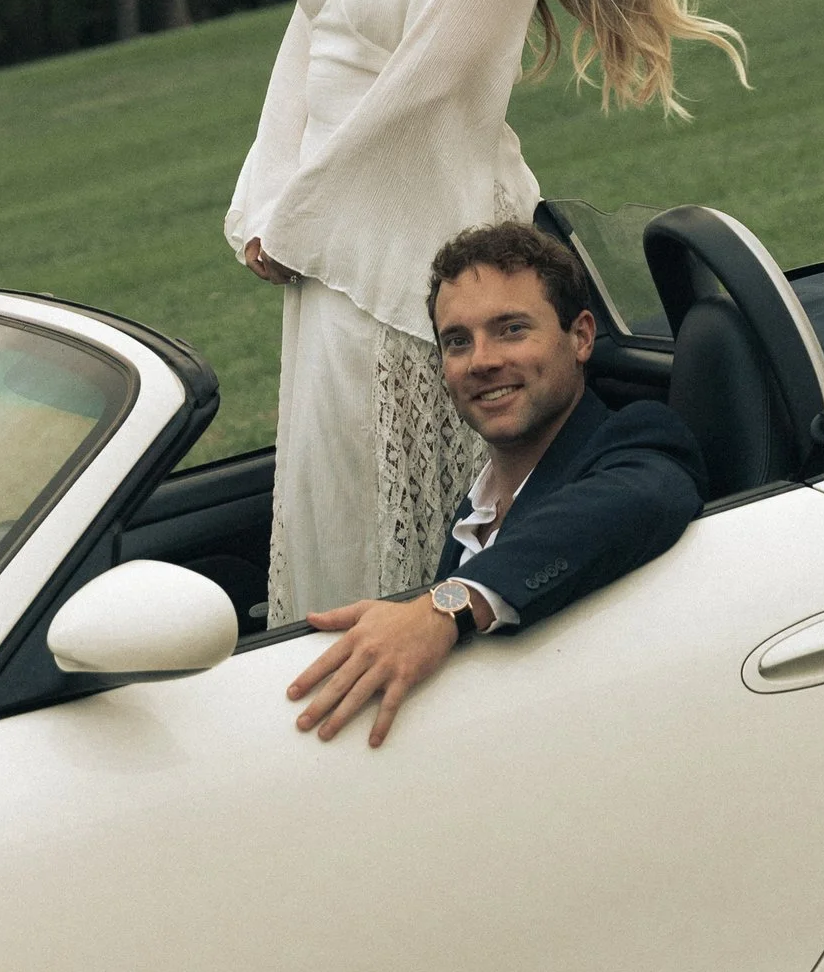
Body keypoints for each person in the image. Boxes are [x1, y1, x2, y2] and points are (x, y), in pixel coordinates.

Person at [224, 0, 744, 620]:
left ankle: (411, 655)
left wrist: (299, 218)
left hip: (415, 231)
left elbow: (430, 83)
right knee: (322, 494)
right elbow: (311, 26)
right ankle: (309, 676)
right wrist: (262, 199)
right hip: (321, 227)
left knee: (389, 511)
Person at [286, 220, 706, 745]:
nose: (482, 361)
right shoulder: (475, 508)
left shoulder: (636, 439)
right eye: (458, 341)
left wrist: (447, 608)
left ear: (580, 337)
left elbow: (643, 495)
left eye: (512, 329)